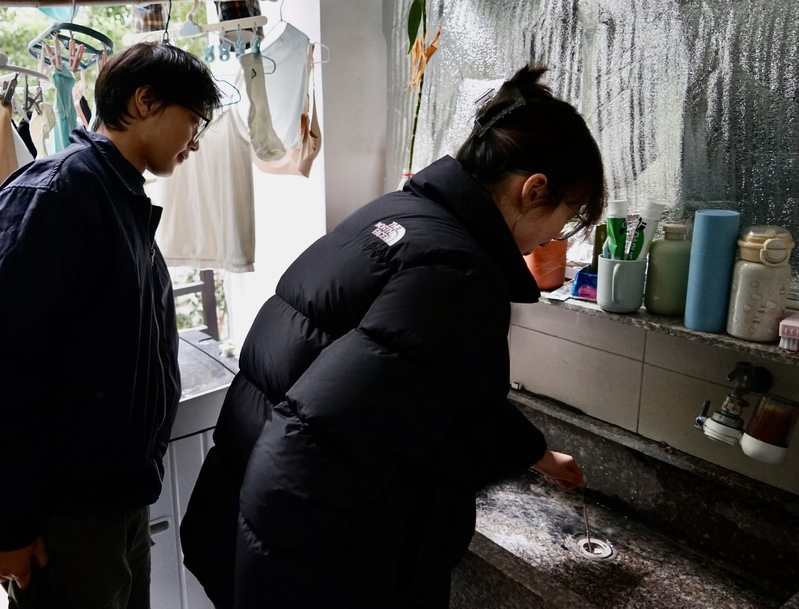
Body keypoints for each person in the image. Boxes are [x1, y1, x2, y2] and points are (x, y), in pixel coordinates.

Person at [180, 64, 605, 609]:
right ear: (534, 189)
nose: (555, 238)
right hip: (322, 569)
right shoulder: (457, 273)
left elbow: (423, 384)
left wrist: (537, 453)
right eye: (568, 220)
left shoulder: (398, 214)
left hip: (241, 519)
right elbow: (308, 446)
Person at [0, 42, 222, 609]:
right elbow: (7, 368)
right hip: (67, 513)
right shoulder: (57, 195)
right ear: (145, 101)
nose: (195, 142)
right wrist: (10, 526)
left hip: (119, 497)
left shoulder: (118, 194)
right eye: (193, 121)